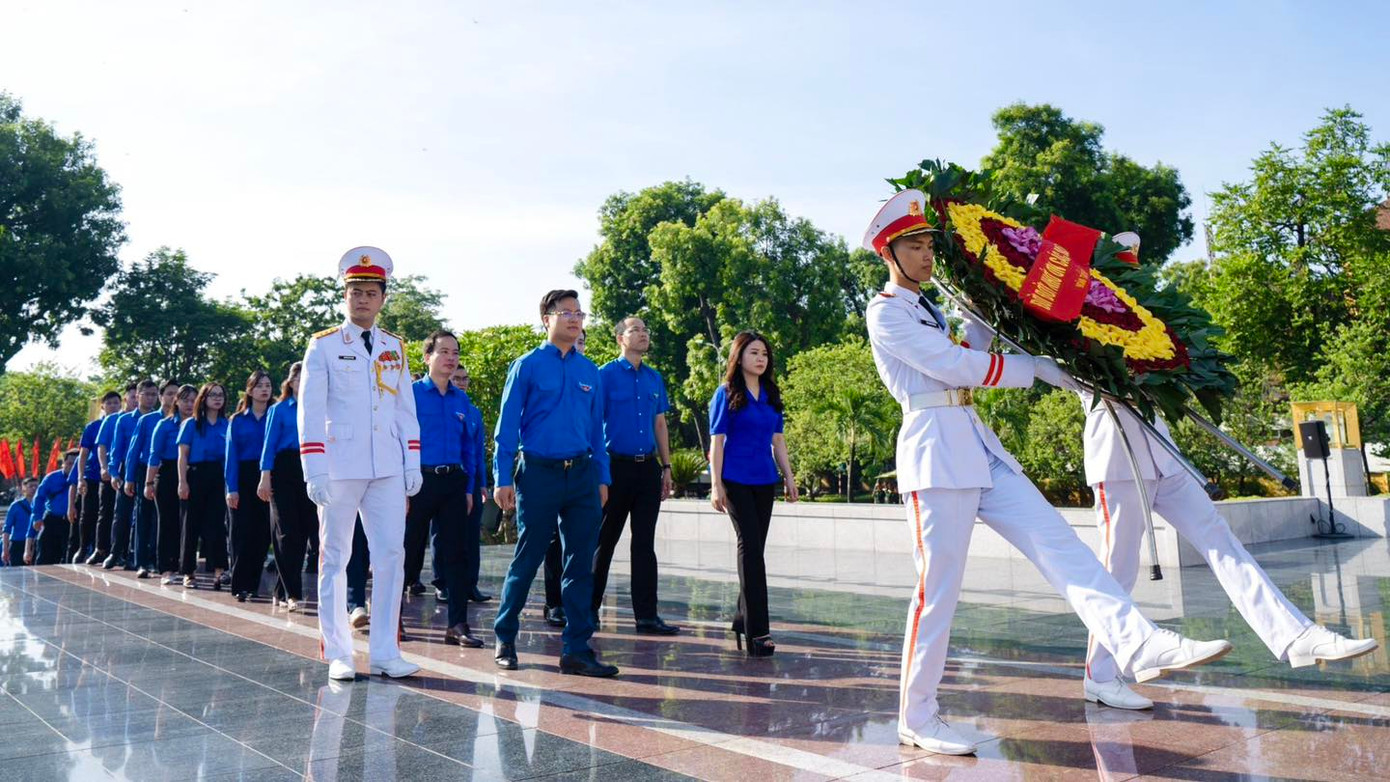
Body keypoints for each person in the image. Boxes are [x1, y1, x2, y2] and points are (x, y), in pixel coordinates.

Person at [861, 188, 1231, 755]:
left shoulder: (928, 307)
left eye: (929, 243)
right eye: (914, 246)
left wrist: (982, 315)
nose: (926, 254)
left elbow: (965, 349)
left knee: (1064, 548)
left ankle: (1139, 643)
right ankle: (918, 714)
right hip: (935, 457)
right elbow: (950, 364)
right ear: (888, 253)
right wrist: (1030, 368)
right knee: (938, 592)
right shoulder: (885, 311)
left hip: (976, 446)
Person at [1075, 393, 1378, 708]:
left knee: (1222, 541)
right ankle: (1099, 676)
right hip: (1116, 458)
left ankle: (1296, 635)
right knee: (1117, 570)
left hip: (1164, 456)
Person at [298, 246, 421, 682]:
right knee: (335, 557)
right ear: (345, 297)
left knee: (391, 556)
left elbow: (405, 408)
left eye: (371, 292)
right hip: (339, 463)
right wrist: (313, 467)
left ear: (383, 297)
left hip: (386, 463)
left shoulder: (394, 347)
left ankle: (386, 652)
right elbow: (310, 411)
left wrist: (412, 460)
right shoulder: (325, 345)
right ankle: (339, 653)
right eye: (355, 292)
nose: (363, 299)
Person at [491, 290, 617, 677]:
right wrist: (502, 477)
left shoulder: (590, 372)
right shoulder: (527, 365)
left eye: (579, 313)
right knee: (528, 557)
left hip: (581, 475)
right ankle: (505, 636)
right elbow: (507, 426)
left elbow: (597, 430)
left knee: (581, 563)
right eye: (566, 312)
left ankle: (577, 648)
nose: (575, 319)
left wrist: (602, 476)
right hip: (539, 473)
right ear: (546, 319)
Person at [708, 331, 798, 657]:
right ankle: (758, 632)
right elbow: (716, 443)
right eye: (753, 353)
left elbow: (778, 441)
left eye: (764, 354)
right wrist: (716, 485)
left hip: (764, 481)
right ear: (739, 357)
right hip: (735, 480)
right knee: (751, 551)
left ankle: (741, 616)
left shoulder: (771, 394)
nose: (761, 359)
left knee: (756, 549)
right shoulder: (726, 393)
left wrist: (788, 477)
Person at [593, 316, 679, 635]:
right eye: (635, 330)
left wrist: (666, 467)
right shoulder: (604, 375)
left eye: (645, 330)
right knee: (604, 541)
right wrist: (598, 472)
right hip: (614, 468)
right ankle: (588, 611)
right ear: (620, 339)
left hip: (648, 469)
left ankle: (646, 616)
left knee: (645, 543)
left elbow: (660, 425)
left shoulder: (655, 378)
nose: (643, 335)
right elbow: (593, 426)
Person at [408, 330, 483, 648]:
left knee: (457, 555)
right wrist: (402, 485)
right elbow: (397, 441)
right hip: (417, 483)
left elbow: (468, 447)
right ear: (427, 357)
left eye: (455, 353)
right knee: (408, 554)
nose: (451, 358)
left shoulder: (461, 399)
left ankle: (457, 625)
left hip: (453, 482)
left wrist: (468, 488)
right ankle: (392, 621)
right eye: (444, 352)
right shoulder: (410, 395)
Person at [540, 325, 589, 626]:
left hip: (583, 470)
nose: (578, 345)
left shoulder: (589, 375)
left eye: (583, 341)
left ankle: (578, 608)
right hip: (547, 470)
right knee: (551, 542)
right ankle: (553, 602)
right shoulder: (539, 368)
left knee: (580, 543)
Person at [258, 362, 315, 611]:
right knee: (286, 531)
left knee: (304, 533)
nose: (304, 383)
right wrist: (265, 476)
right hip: (283, 469)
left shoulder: (318, 408)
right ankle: (293, 593)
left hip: (310, 467)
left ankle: (282, 588)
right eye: (300, 379)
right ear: (291, 382)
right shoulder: (279, 410)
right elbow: (269, 445)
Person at [437, 364, 491, 604]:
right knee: (442, 534)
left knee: (471, 534)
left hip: (469, 480)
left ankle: (471, 584)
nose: (461, 382)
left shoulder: (473, 412)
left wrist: (481, 483)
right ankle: (442, 583)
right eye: (457, 378)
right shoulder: (442, 408)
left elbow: (477, 451)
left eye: (465, 378)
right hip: (444, 479)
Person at [177, 382, 230, 589]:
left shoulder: (227, 424)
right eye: (213, 395)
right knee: (190, 525)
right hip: (195, 475)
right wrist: (182, 482)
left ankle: (219, 570)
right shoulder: (191, 424)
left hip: (218, 476)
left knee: (216, 524)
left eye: (221, 395)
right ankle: (188, 572)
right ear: (204, 398)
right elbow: (182, 455)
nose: (217, 399)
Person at [227, 370, 274, 602]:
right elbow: (231, 456)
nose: (264, 389)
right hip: (244, 476)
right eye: (259, 386)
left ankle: (255, 584)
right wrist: (231, 487)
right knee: (241, 532)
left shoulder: (274, 415)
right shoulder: (238, 419)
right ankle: (239, 584)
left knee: (263, 532)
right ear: (249, 390)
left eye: (267, 385)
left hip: (268, 476)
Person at [126, 380, 179, 578]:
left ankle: (161, 561)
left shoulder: (185, 420)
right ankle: (141, 563)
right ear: (161, 396)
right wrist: (129, 478)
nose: (173, 398)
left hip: (173, 472)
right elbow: (134, 450)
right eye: (169, 393)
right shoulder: (147, 420)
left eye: (177, 394)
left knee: (165, 519)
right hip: (146, 471)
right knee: (144, 516)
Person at [146, 385, 196, 585]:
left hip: (192, 474)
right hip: (167, 475)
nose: (189, 404)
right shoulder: (165, 425)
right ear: (176, 401)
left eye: (193, 400)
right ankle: (167, 568)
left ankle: (186, 569)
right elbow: (154, 455)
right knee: (167, 523)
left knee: (188, 524)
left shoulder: (198, 425)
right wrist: (149, 482)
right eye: (185, 400)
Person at [107, 380, 156, 569]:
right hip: (128, 471)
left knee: (147, 516)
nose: (150, 398)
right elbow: (116, 449)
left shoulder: (158, 419)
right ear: (137, 396)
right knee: (122, 514)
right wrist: (113, 473)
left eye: (154, 394)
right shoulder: (124, 419)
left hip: (148, 470)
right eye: (146, 394)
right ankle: (115, 552)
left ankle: (142, 556)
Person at [90, 383, 137, 565]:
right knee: (108, 511)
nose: (134, 400)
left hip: (134, 470)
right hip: (114, 471)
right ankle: (102, 549)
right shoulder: (113, 420)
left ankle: (127, 552)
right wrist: (105, 468)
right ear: (126, 398)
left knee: (132, 514)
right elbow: (102, 446)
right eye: (132, 396)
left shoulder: (145, 419)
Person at [72, 391, 121, 563]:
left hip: (113, 475)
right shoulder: (92, 427)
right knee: (88, 514)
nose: (113, 406)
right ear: (102, 406)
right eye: (109, 403)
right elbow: (83, 454)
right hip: (92, 474)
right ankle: (83, 547)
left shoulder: (121, 423)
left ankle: (108, 549)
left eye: (116, 403)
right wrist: (80, 478)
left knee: (109, 513)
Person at [30, 450, 80, 565]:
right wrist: (37, 517)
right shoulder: (52, 478)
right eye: (69, 463)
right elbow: (39, 498)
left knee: (69, 554)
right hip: (52, 519)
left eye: (75, 464)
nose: (72, 467)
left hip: (72, 521)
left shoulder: (83, 479)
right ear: (63, 463)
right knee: (45, 554)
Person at [3, 478, 38, 566]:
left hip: (36, 544)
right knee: (17, 574)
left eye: (36, 486)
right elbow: (7, 529)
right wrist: (5, 549)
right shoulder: (15, 506)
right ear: (24, 488)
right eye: (31, 486)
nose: (34, 489)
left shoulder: (43, 505)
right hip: (18, 544)